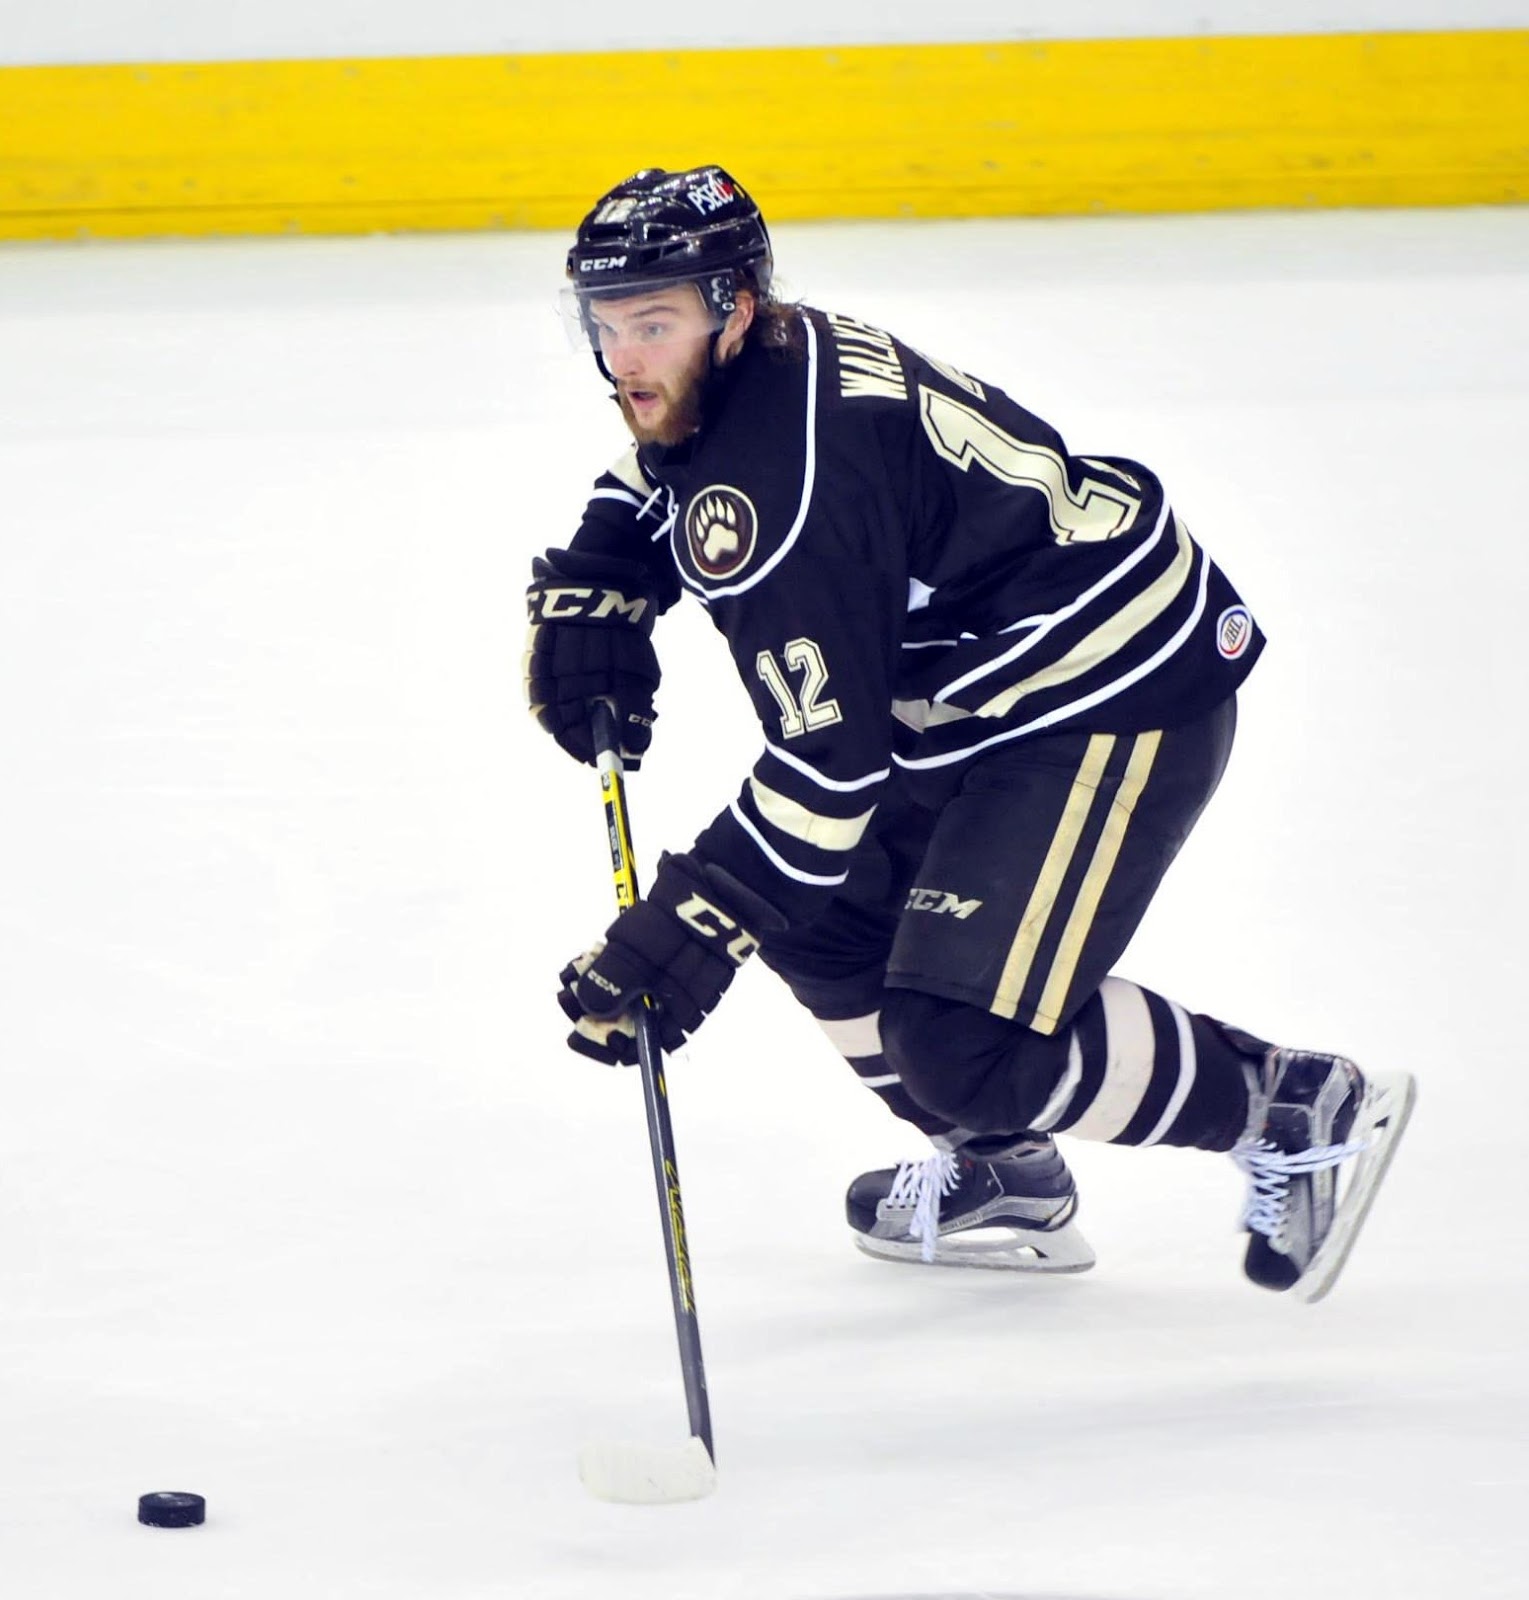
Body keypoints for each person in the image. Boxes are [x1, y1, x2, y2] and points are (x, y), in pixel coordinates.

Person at [524, 164, 1414, 1300]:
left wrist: (681, 935)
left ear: (735, 306)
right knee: (816, 911)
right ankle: (1002, 1170)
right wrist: (605, 566)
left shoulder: (785, 489)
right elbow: (662, 462)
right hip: (983, 692)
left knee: (961, 1043)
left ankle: (1289, 1104)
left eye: (654, 323)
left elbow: (826, 771)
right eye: (606, 327)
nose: (625, 360)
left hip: (1101, 695)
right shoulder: (763, 369)